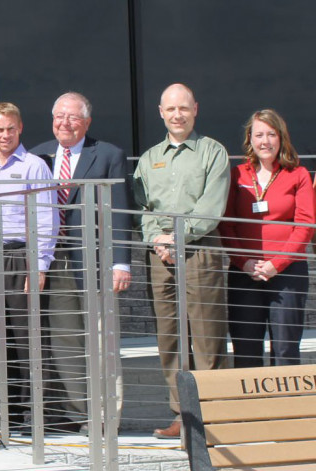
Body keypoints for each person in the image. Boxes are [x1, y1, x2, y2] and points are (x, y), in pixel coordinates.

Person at [28, 92, 130, 433]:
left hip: (95, 261)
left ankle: (106, 416)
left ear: (87, 121)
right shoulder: (38, 155)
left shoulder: (108, 155)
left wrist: (121, 263)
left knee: (101, 339)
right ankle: (78, 414)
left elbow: (119, 213)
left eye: (72, 117)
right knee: (65, 341)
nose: (64, 123)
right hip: (55, 262)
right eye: (59, 116)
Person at [133, 83, 230, 439]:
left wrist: (177, 235)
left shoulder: (212, 152)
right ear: (161, 112)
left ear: (195, 110)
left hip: (200, 252)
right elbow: (142, 209)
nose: (177, 115)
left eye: (184, 108)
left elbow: (211, 207)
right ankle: (182, 415)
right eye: (171, 109)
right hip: (161, 257)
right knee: (170, 336)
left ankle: (214, 417)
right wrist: (156, 239)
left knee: (207, 335)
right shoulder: (148, 158)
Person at [0, 102, 57, 430]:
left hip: (22, 256)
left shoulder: (35, 166)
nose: (5, 135)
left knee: (29, 337)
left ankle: (39, 413)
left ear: (20, 127)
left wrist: (38, 266)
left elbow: (46, 217)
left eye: (10, 128)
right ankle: (9, 412)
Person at [219, 110, 314, 368]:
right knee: (245, 348)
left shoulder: (299, 175)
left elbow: (305, 226)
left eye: (271, 134)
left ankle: (284, 407)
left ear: (281, 138)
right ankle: (249, 407)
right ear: (250, 139)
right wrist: (244, 262)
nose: (265, 141)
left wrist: (277, 264)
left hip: (287, 273)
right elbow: (227, 225)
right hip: (245, 273)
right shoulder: (237, 175)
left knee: (285, 348)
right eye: (259, 134)